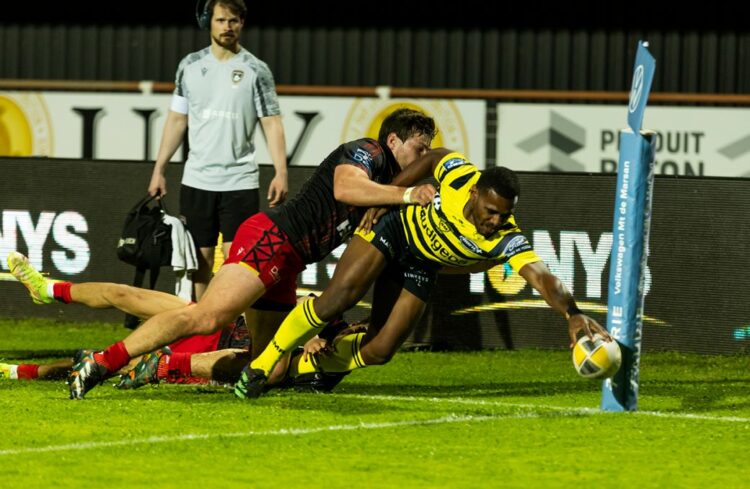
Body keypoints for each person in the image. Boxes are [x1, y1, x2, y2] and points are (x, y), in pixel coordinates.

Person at [67, 108, 439, 399]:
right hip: (271, 239)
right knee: (208, 317)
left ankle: (162, 366)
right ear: (393, 140)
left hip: (289, 261)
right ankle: (104, 361)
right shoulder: (368, 151)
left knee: (271, 368)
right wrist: (407, 195)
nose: (422, 159)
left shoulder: (385, 190)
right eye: (419, 149)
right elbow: (344, 187)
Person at [237, 149, 613, 398]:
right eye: (490, 210)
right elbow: (433, 158)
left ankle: (303, 367)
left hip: (420, 263)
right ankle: (262, 364)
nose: (495, 221)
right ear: (474, 193)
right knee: (339, 298)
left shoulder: (505, 237)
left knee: (380, 349)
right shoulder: (459, 175)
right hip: (392, 229)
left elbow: (544, 276)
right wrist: (391, 192)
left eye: (504, 214)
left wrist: (572, 312)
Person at [4, 252, 346, 391]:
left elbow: (313, 355)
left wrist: (311, 343)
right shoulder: (310, 305)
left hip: (215, 355)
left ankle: (21, 370)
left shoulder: (301, 364)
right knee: (126, 294)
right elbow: (310, 310)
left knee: (105, 363)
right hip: (209, 320)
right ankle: (48, 289)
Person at [149, 0, 288, 300]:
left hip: (240, 180)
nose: (227, 26)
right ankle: (205, 329)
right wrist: (159, 168)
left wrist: (281, 171)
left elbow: (272, 122)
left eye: (234, 21)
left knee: (237, 263)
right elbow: (176, 120)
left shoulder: (256, 70)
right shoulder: (189, 66)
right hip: (197, 179)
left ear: (242, 24)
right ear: (208, 23)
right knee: (200, 261)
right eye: (221, 20)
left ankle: (231, 328)